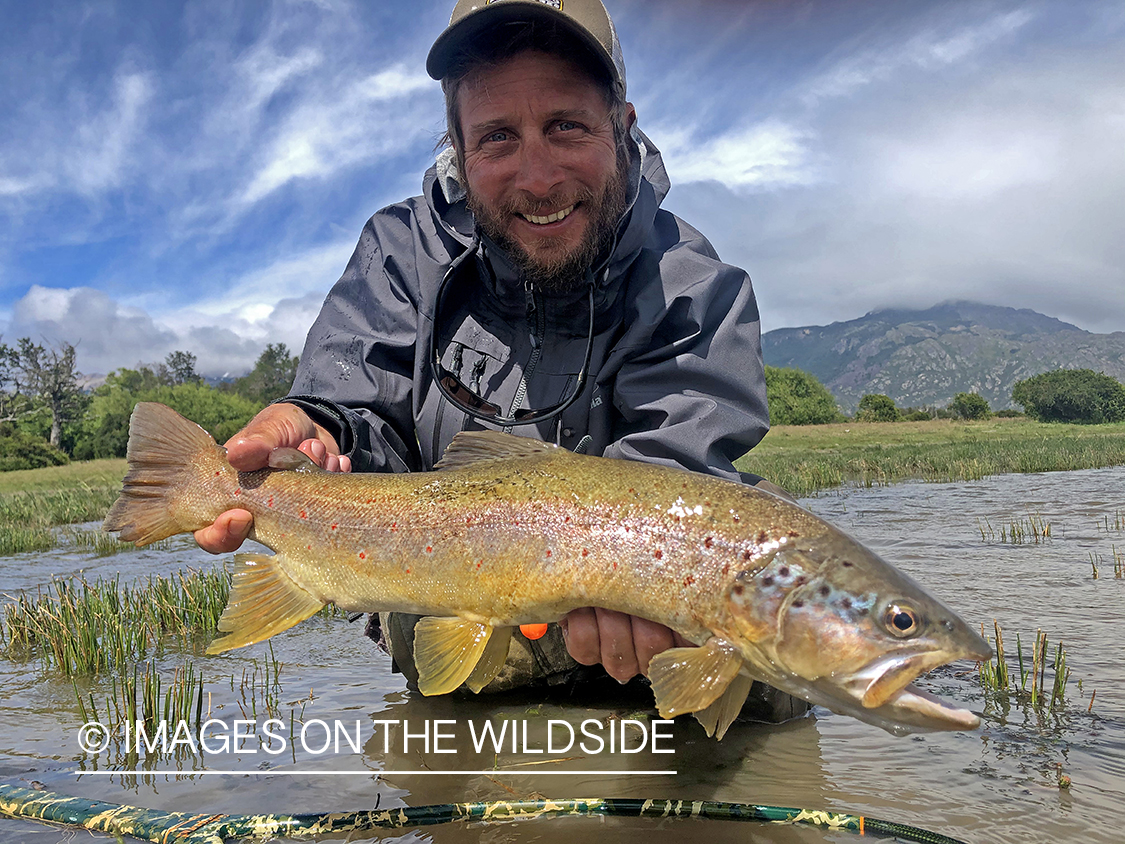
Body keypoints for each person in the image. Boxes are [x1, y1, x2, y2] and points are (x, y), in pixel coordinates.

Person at [196, 0, 806, 722]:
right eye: (496, 138)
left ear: (623, 125)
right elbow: (356, 402)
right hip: (450, 617)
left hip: (647, 632)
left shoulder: (692, 285)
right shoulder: (400, 252)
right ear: (455, 147)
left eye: (565, 127)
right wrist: (320, 428)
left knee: (765, 643)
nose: (539, 178)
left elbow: (674, 477)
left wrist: (626, 579)